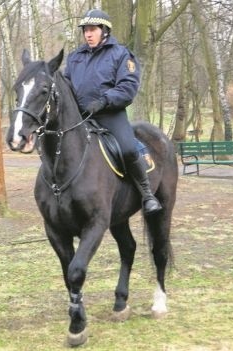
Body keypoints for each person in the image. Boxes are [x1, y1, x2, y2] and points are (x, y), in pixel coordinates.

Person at [63, 9, 162, 215]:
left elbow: (127, 87)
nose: (88, 34)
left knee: (127, 148)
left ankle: (147, 194)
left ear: (104, 31)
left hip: (110, 115)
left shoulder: (121, 54)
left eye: (92, 30)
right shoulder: (75, 57)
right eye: (85, 31)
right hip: (81, 117)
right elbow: (67, 86)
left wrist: (103, 102)